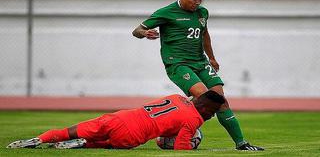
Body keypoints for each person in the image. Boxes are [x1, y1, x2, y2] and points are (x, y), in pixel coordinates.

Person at [132, 0, 263, 151]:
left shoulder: (202, 13)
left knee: (220, 100)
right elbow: (136, 30)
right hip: (178, 64)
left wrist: (212, 58)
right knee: (205, 97)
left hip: (201, 62)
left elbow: (205, 34)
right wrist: (145, 33)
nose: (197, 3)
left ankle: (241, 144)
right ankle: (173, 124)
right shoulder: (166, 12)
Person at [7, 91, 225, 150]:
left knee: (72, 130)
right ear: (204, 107)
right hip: (134, 134)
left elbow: (170, 118)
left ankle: (40, 138)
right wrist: (188, 145)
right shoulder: (194, 119)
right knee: (107, 143)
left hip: (122, 116)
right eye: (212, 111)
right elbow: (180, 147)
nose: (212, 115)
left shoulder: (176, 97)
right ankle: (86, 144)